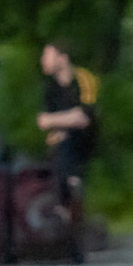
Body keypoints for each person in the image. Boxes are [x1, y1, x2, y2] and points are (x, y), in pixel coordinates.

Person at [35, 43, 98, 208]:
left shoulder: (83, 78)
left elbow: (84, 117)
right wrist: (69, 118)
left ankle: (69, 203)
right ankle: (65, 201)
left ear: (63, 58)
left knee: (66, 143)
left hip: (85, 140)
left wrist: (56, 120)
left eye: (47, 56)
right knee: (59, 147)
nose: (43, 60)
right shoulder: (50, 89)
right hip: (60, 143)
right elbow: (42, 121)